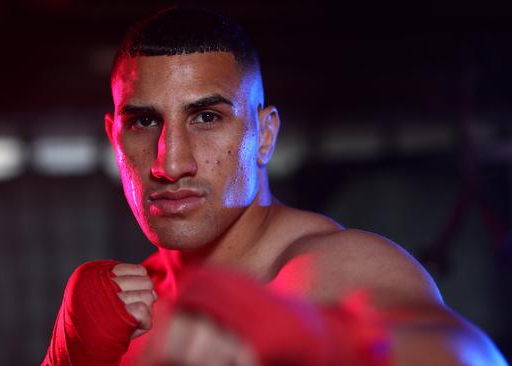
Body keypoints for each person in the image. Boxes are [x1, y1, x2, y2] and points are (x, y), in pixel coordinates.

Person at [43, 7, 508, 366]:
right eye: (144, 121)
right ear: (115, 139)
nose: (171, 162)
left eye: (207, 118)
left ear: (264, 135)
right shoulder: (125, 304)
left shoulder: (330, 268)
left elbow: (471, 356)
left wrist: (329, 340)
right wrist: (68, 357)